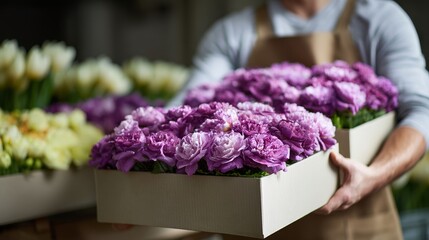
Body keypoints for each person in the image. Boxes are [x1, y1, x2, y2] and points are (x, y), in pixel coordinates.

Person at [168, 0, 429, 239]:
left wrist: (374, 175)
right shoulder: (233, 33)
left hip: (358, 227)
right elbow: (183, 110)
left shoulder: (378, 18)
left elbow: (422, 111)